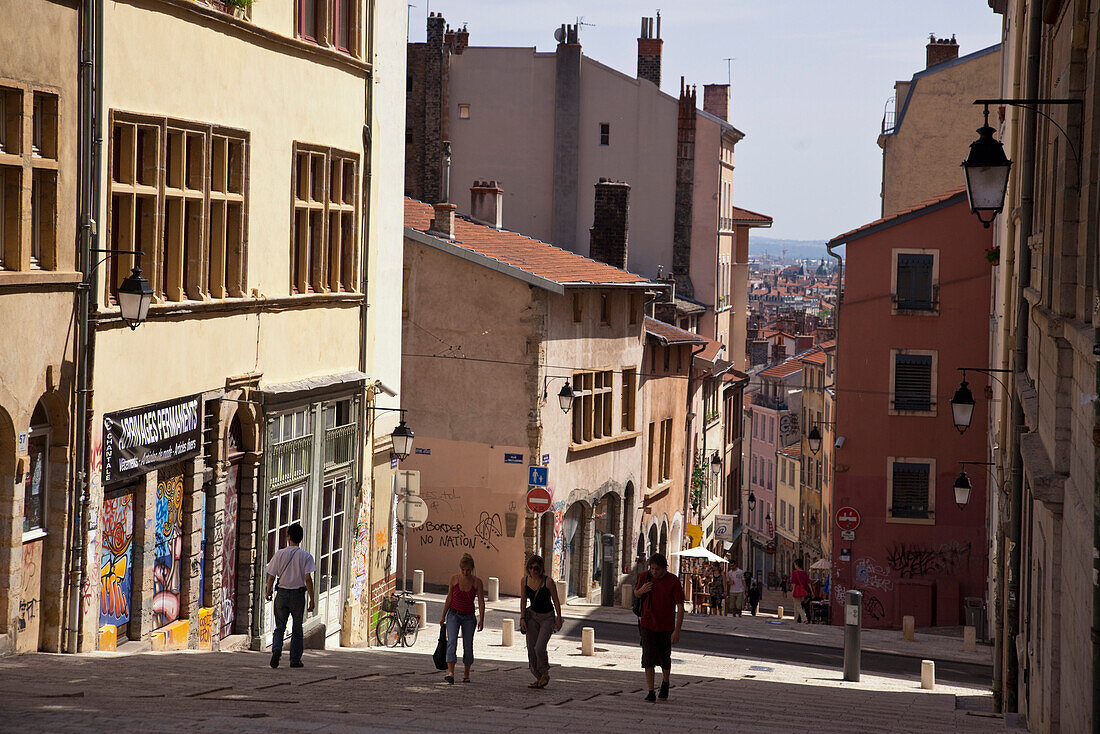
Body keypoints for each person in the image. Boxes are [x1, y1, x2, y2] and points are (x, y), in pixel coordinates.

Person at [265, 522, 317, 669]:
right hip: (297, 595)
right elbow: (308, 578)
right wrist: (312, 599)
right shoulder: (306, 556)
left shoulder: (279, 554)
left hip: (281, 593)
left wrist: (268, 591)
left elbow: (271, 576)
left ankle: (276, 648)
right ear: (301, 538)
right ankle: (295, 659)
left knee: (279, 627)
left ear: (288, 537)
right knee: (297, 628)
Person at [634, 553, 685, 702]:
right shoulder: (645, 577)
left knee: (664, 658)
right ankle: (650, 691)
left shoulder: (673, 581)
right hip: (647, 623)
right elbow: (636, 594)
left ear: (664, 568)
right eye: (652, 569)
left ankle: (665, 682)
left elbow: (680, 607)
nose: (654, 572)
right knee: (648, 658)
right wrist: (641, 590)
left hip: (666, 626)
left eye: (657, 569)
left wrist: (677, 630)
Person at [438, 553, 486, 684]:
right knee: (451, 641)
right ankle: (450, 672)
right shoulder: (454, 579)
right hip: (453, 614)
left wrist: (482, 618)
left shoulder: (477, 582)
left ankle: (466, 674)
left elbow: (481, 601)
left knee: (468, 645)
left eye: (468, 570)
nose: (465, 572)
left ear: (472, 569)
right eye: (463, 570)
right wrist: (443, 616)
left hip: (469, 617)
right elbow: (449, 598)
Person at [519, 554, 563, 689]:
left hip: (547, 617)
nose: (533, 571)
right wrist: (522, 617)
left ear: (541, 569)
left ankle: (545, 672)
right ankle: (540, 679)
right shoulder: (524, 581)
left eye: (536, 568)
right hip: (532, 616)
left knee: (539, 647)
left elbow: (556, 601)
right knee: (531, 649)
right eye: (531, 568)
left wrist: (559, 618)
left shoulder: (548, 582)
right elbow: (523, 599)